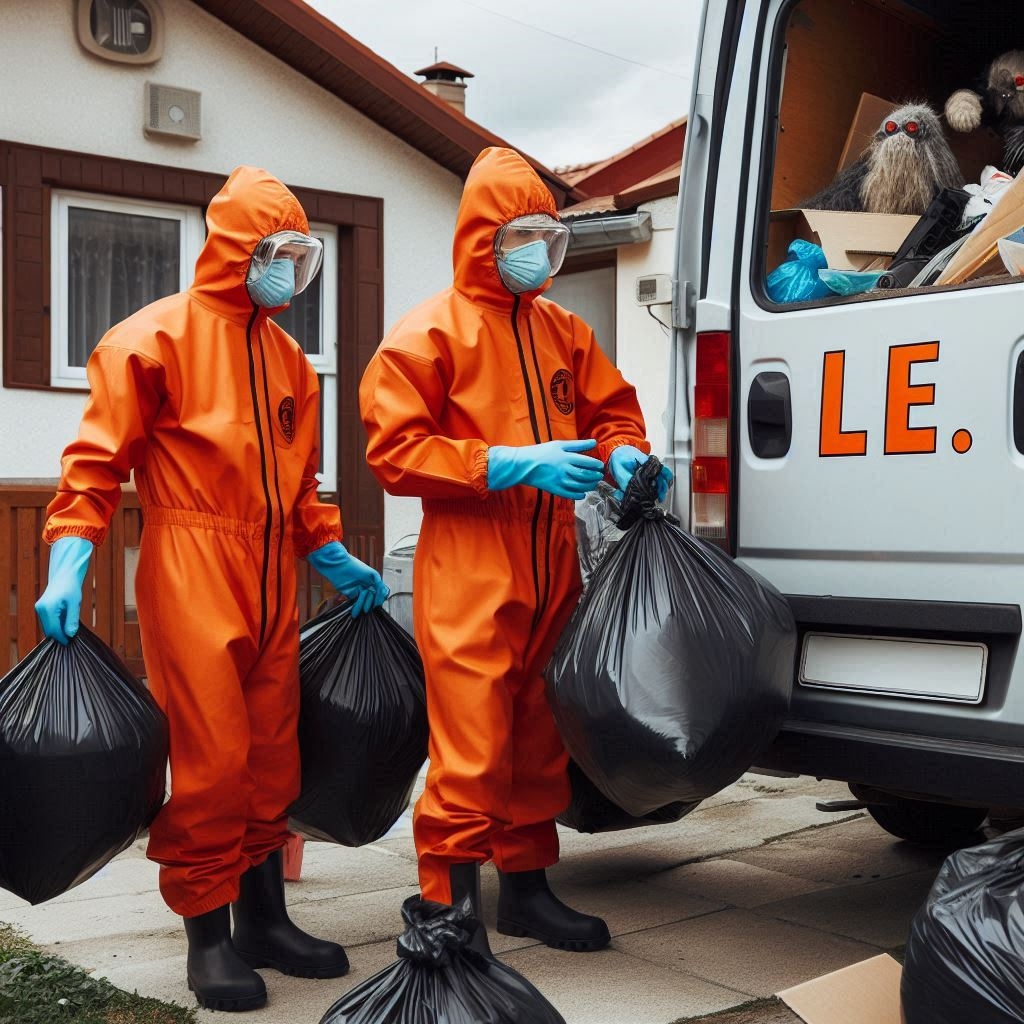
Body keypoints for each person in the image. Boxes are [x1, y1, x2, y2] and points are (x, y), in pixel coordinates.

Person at [35, 166, 389, 1012]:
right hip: (193, 565)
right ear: (238, 252)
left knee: (273, 755)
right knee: (212, 760)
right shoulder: (151, 341)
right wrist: (69, 558)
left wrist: (334, 557)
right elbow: (93, 467)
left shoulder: (288, 362)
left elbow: (300, 489)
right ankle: (208, 937)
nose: (290, 275)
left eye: (302, 259)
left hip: (273, 579)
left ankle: (265, 917)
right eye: (279, 255)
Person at [359, 146, 671, 953]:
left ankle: (526, 892)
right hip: (469, 559)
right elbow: (394, 453)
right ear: (483, 238)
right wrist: (502, 462)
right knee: (469, 745)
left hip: (553, 556)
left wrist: (626, 452)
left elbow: (611, 412)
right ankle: (448, 906)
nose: (540, 252)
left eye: (549, 235)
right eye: (523, 235)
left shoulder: (562, 329)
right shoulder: (427, 334)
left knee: (537, 739)